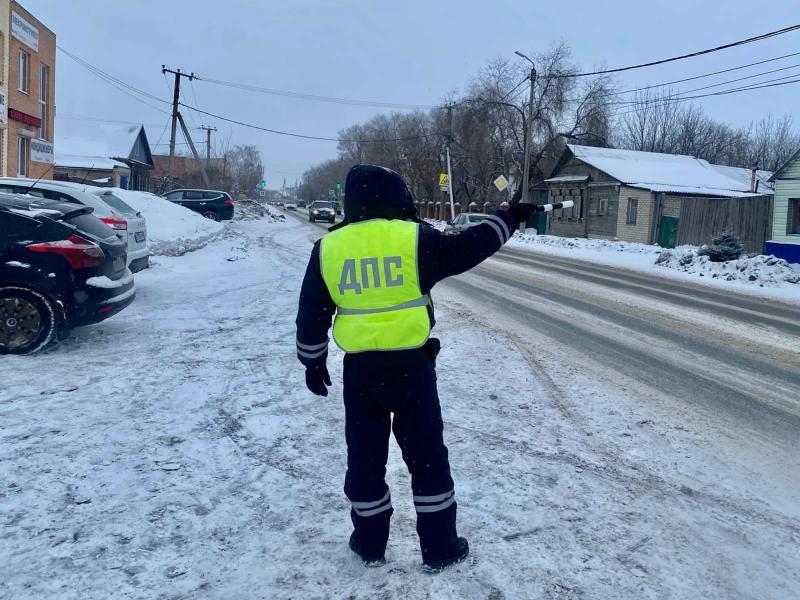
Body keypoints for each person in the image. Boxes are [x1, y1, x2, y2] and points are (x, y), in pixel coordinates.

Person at [295, 164, 534, 571]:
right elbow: (469, 247)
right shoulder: (415, 239)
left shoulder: (329, 248)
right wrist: (507, 218)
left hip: (361, 372)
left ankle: (369, 543)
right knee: (427, 458)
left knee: (365, 459)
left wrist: (312, 360)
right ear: (398, 197)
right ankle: (440, 548)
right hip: (413, 369)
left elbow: (312, 311)